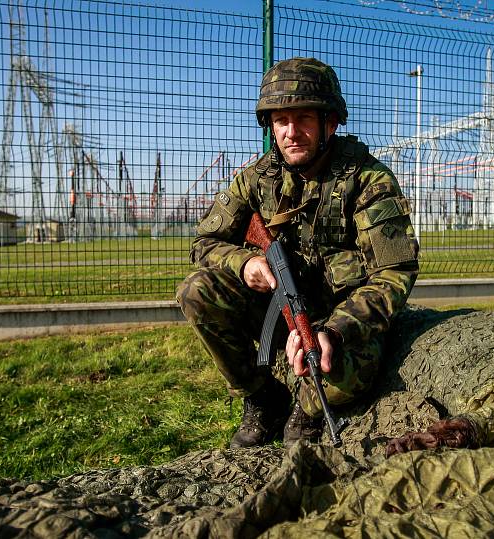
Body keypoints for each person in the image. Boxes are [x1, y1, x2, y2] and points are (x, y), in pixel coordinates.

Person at [176, 57, 419, 449]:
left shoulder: (368, 179)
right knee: (197, 291)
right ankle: (263, 399)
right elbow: (204, 242)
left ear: (330, 122)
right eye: (280, 120)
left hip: (343, 320)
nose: (291, 132)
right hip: (280, 310)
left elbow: (395, 274)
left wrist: (337, 331)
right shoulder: (257, 177)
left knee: (335, 376)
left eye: (303, 118)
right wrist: (245, 264)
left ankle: (306, 407)